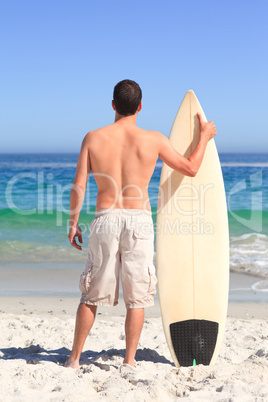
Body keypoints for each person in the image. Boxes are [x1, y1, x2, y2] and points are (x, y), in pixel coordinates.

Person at [64, 79, 216, 369]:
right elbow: (191, 168)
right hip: (139, 222)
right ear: (141, 106)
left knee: (91, 293)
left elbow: (79, 185)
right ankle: (130, 361)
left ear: (112, 105)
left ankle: (73, 359)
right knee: (137, 297)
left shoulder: (93, 138)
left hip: (105, 220)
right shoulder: (153, 139)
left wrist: (73, 223)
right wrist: (205, 137)